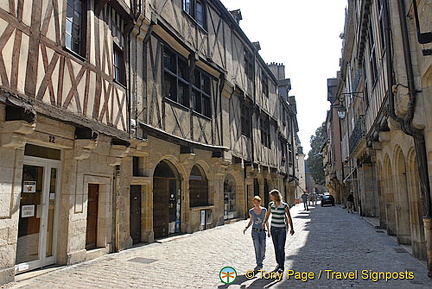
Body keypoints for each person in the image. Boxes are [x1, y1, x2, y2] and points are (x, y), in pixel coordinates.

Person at [263, 189, 295, 273]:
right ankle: (278, 262)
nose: (270, 197)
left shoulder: (284, 206)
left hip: (282, 229)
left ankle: (281, 266)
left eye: (271, 196)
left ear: (275, 196)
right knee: (276, 247)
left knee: (281, 247)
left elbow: (289, 217)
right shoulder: (271, 205)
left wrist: (292, 228)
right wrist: (264, 222)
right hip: (273, 229)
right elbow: (267, 215)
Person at [243, 196, 270, 271]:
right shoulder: (251, 211)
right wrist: (246, 227)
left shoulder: (264, 210)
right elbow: (251, 221)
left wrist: (268, 230)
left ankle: (262, 257)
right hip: (255, 231)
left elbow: (266, 220)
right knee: (257, 247)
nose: (256, 203)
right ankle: (259, 263)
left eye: (257, 202)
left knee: (263, 248)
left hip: (262, 231)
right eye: (255, 202)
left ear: (260, 202)